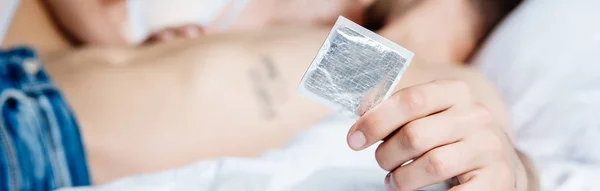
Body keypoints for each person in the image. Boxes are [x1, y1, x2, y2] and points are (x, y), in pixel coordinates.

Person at [0, 0, 537, 191]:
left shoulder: (446, 82)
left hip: (39, 139)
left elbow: (499, 160)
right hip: (27, 77)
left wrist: (514, 169)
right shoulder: (344, 43)